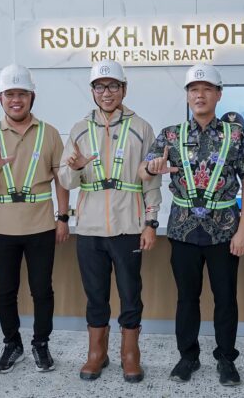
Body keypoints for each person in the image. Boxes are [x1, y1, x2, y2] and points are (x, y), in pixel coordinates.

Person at [139, 64, 244, 386]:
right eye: (194, 90)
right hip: (183, 230)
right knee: (186, 298)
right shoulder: (171, 134)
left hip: (225, 231)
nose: (200, 95)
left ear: (219, 94)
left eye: (206, 89)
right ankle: (187, 357)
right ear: (187, 95)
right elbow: (142, 172)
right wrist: (152, 167)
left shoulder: (236, 134)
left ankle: (226, 359)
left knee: (226, 298)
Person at [58, 59, 161, 383]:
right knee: (95, 295)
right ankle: (96, 354)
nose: (106, 92)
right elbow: (65, 180)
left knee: (130, 294)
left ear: (124, 89)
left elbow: (151, 181)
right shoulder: (79, 129)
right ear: (92, 91)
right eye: (100, 87)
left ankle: (130, 355)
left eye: (113, 86)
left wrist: (151, 222)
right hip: (89, 229)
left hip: (128, 226)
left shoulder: (141, 128)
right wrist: (75, 167)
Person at [0, 64, 69, 373]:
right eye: (10, 94)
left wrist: (63, 217)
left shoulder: (49, 133)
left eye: (22, 94)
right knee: (5, 291)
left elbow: (60, 180)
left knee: (42, 290)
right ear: (0, 98)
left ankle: (41, 344)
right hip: (2, 228)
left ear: (31, 97)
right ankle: (12, 344)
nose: (16, 100)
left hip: (41, 226)